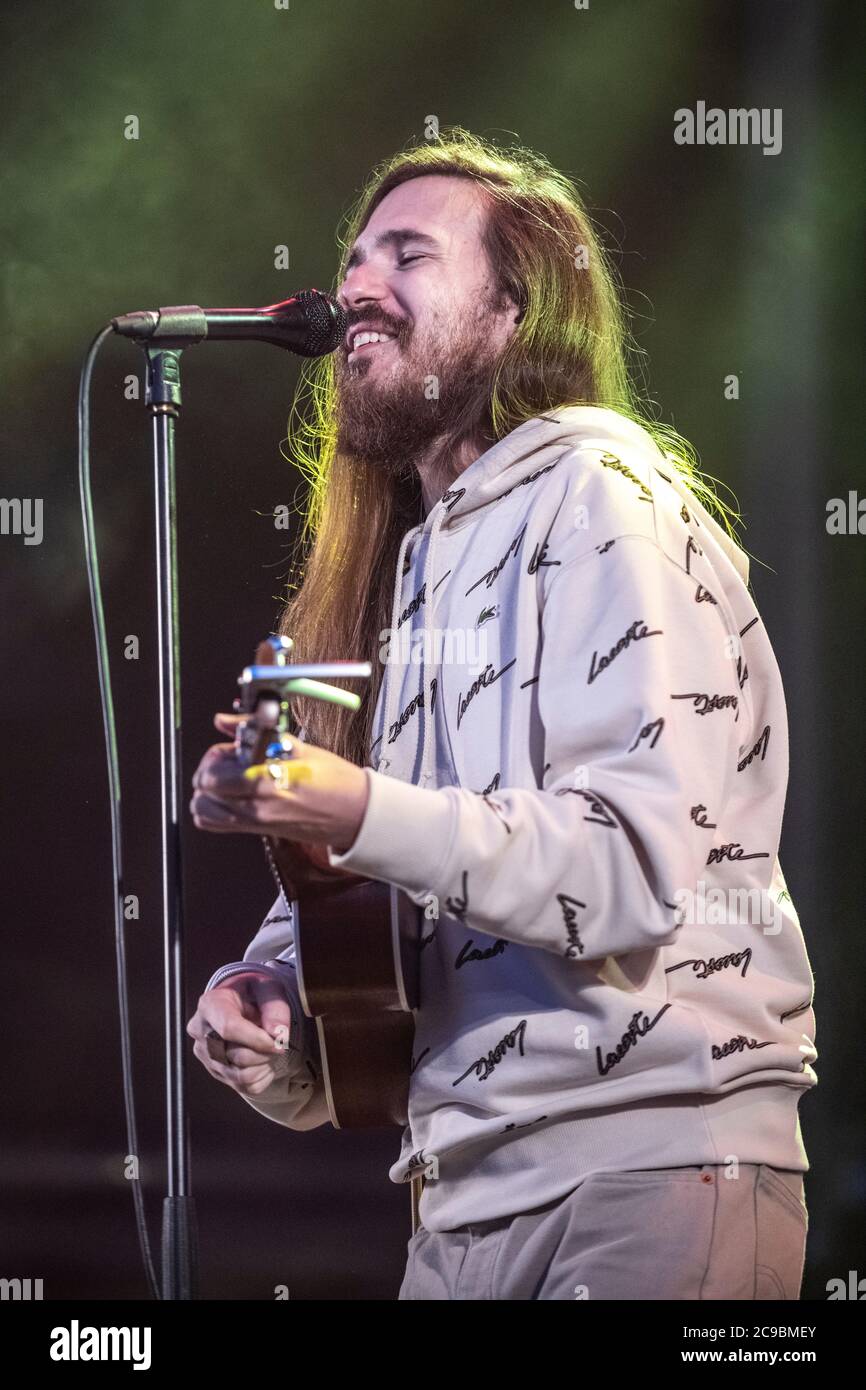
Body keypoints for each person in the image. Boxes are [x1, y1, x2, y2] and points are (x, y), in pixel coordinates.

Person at [186, 129, 816, 1300]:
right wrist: (277, 1011)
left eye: (407, 256)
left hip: (650, 1171)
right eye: (355, 255)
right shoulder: (410, 569)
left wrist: (351, 802)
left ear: (513, 313)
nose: (354, 287)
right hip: (458, 1198)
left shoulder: (599, 492)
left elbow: (629, 871)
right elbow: (409, 922)